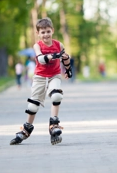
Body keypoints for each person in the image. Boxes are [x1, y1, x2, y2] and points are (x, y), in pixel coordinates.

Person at [10, 17, 72, 145]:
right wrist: (54, 55)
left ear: (52, 31)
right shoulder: (37, 45)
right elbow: (41, 59)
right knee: (33, 105)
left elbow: (65, 57)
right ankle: (26, 129)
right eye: (42, 32)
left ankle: (54, 125)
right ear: (38, 33)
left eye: (48, 31)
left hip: (54, 75)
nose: (46, 34)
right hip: (39, 76)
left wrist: (68, 69)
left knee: (57, 95)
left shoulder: (59, 45)